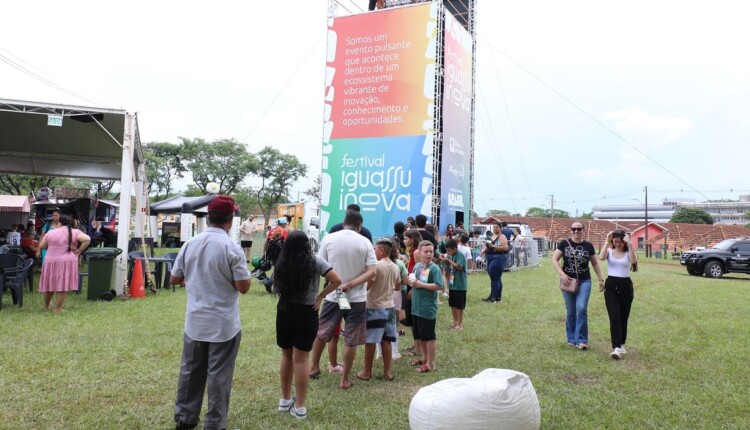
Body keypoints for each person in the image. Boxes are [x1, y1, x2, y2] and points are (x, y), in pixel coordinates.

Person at [170, 195, 251, 430]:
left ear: (208, 217)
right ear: (230, 219)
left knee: (190, 372)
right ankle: (214, 423)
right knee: (219, 376)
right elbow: (243, 287)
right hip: (223, 325)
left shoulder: (191, 243)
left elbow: (175, 278)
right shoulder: (231, 247)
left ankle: (185, 419)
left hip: (195, 322)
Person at [273, 230, 342, 419]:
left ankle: (285, 400)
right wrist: (319, 296)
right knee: (301, 359)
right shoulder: (315, 261)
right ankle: (301, 407)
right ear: (307, 243)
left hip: (285, 311)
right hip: (307, 312)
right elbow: (337, 280)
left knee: (286, 356)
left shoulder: (282, 261)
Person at [308, 211, 376, 390]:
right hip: (356, 297)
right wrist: (351, 283)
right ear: (359, 226)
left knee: (322, 332)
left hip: (334, 295)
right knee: (351, 338)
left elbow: (319, 264)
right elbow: (372, 271)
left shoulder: (329, 238)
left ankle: (313, 367)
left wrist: (321, 293)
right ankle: (344, 379)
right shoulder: (365, 241)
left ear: (343, 223)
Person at [551, 221, 605, 350]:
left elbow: (595, 264)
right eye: (574, 229)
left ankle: (581, 340)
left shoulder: (588, 245)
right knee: (571, 312)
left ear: (583, 230)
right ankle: (571, 338)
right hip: (567, 281)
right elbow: (554, 259)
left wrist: (601, 279)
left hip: (584, 281)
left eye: (579, 229)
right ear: (571, 230)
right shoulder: (564, 244)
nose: (576, 231)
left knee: (581, 309)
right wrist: (562, 274)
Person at [356, 238, 400, 382]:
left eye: (375, 249)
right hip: (390, 306)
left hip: (375, 306)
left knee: (370, 340)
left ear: (381, 251)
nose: (373, 252)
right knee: (386, 340)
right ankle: (388, 372)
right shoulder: (395, 266)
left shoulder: (376, 267)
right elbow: (398, 287)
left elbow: (368, 285)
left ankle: (367, 372)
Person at [36, 215, 91, 312]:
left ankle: (47, 306)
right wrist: (79, 250)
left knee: (49, 283)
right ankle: (58, 308)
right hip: (67, 261)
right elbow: (87, 239)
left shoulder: (51, 233)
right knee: (63, 284)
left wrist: (53, 248)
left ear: (59, 223)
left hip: (50, 260)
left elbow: (42, 245)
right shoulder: (75, 232)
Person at [598, 230, 637, 359]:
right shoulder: (609, 251)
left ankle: (621, 343)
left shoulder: (628, 252)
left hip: (625, 285)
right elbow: (601, 257)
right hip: (611, 286)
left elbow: (633, 262)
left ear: (624, 242)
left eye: (620, 241)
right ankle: (616, 347)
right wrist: (606, 240)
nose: (618, 244)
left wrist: (630, 244)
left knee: (623, 316)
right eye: (615, 241)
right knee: (614, 316)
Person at [407, 240, 442, 373]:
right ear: (419, 253)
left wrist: (421, 285)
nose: (429, 254)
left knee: (428, 336)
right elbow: (413, 282)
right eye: (426, 252)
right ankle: (424, 358)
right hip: (416, 307)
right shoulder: (417, 266)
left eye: (431, 252)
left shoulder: (434, 268)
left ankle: (431, 363)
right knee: (420, 335)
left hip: (427, 308)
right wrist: (411, 283)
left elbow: (439, 285)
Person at [480, 222, 510, 303]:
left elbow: (505, 247)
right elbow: (487, 246)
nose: (495, 229)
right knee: (496, 278)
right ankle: (498, 297)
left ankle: (492, 297)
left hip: (498, 258)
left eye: (496, 227)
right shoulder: (492, 236)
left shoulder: (502, 236)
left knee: (495, 278)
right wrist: (483, 251)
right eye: (494, 227)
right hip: (490, 257)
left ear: (500, 228)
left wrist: (494, 247)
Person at [442, 239, 468, 329]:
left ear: (455, 248)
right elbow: (447, 271)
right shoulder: (450, 256)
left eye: (449, 250)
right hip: (452, 284)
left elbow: (459, 267)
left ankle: (460, 324)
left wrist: (449, 261)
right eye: (447, 250)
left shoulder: (460, 255)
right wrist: (446, 264)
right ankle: (455, 321)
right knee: (452, 304)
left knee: (459, 305)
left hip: (460, 285)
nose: (448, 252)